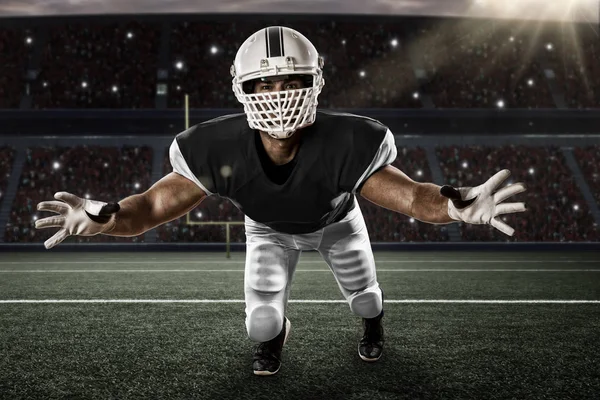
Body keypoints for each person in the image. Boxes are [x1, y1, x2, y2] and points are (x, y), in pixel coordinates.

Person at [35, 26, 527, 376]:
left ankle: (372, 329)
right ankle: (273, 343)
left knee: (366, 297)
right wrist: (106, 218)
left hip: (337, 222)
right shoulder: (217, 148)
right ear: (241, 90)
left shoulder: (345, 141)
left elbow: (413, 197)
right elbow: (146, 209)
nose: (278, 94)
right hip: (267, 228)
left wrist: (454, 205)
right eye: (264, 83)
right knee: (262, 318)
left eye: (291, 81)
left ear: (315, 82)